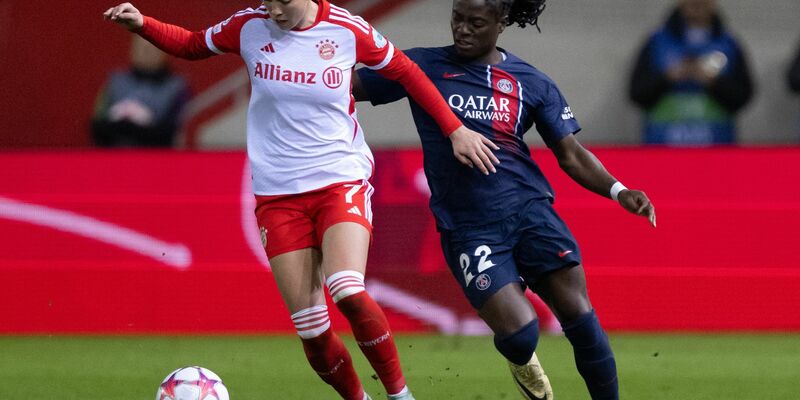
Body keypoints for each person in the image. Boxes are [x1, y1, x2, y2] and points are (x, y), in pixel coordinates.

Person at [103, 1, 501, 399]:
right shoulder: (249, 26)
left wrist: (454, 130)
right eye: (269, 0)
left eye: (284, 2)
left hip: (339, 180)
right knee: (312, 331)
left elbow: (407, 72)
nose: (275, 10)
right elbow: (192, 44)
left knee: (347, 289)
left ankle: (400, 396)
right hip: (278, 196)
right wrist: (143, 24)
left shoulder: (347, 29)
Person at [353, 0, 656, 399]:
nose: (462, 29)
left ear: (502, 23)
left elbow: (570, 153)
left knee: (579, 315)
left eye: (476, 22)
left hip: (530, 212)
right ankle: (522, 360)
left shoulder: (531, 81)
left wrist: (619, 190)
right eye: (457, 19)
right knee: (520, 334)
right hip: (469, 226)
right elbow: (345, 85)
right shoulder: (421, 66)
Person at [629, 0, 754, 146]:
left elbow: (743, 95)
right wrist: (668, 78)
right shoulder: (656, 42)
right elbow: (637, 92)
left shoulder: (729, 44)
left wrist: (713, 82)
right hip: (662, 147)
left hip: (717, 147)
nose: (696, 2)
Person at [92, 35, 191, 147]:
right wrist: (123, 127)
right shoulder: (115, 82)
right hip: (115, 153)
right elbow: (97, 124)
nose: (145, 52)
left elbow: (178, 130)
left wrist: (142, 130)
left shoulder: (178, 88)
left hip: (157, 154)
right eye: (141, 48)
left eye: (151, 48)